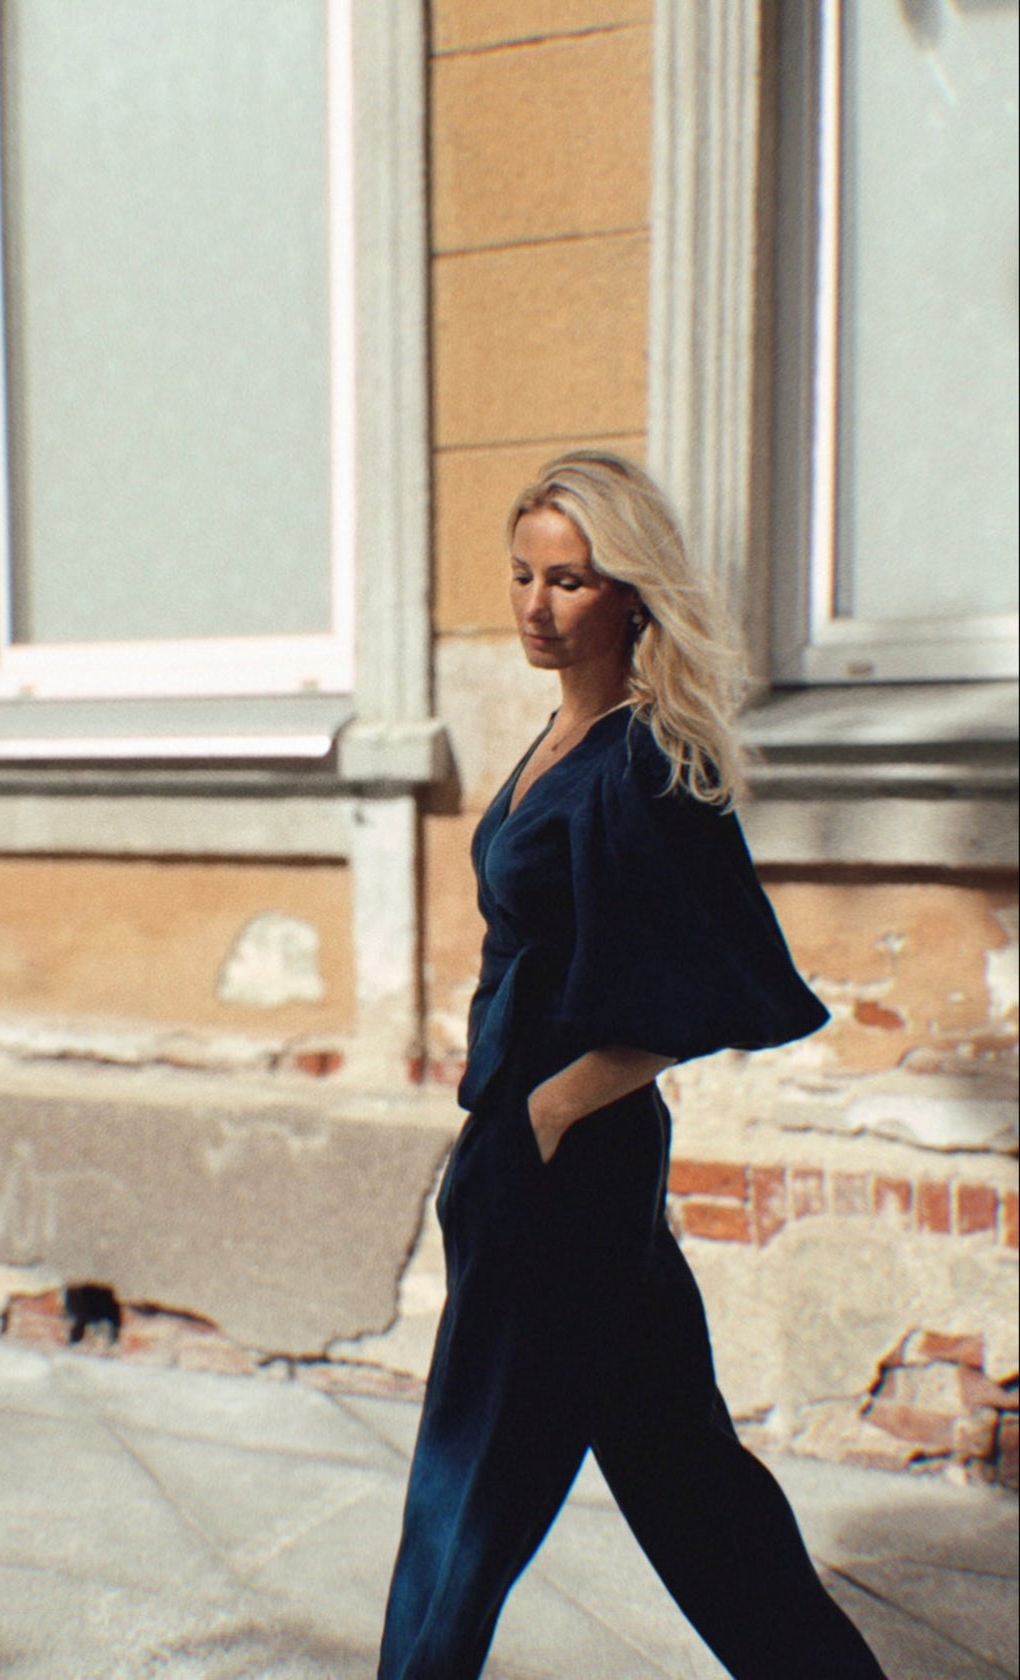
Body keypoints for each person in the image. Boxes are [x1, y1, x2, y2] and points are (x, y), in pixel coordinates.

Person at [377, 452, 890, 1680]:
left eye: (570, 579)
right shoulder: (563, 736)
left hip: (562, 1161)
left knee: (466, 1481)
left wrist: (553, 1109)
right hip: (526, 1147)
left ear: (633, 594)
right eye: (522, 576)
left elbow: (720, 976)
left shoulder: (644, 758)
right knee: (682, 1469)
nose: (536, 606)